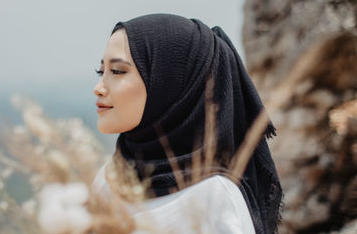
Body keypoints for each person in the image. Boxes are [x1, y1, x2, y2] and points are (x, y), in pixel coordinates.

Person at [92, 13, 282, 234]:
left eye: (117, 71)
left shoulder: (213, 197)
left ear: (168, 82)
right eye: (101, 71)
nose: (99, 87)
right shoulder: (108, 178)